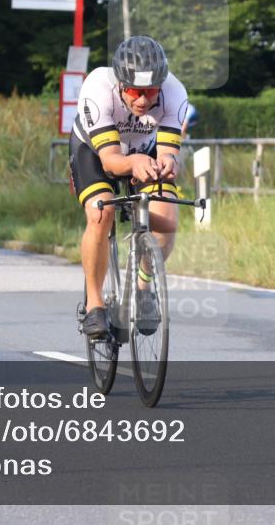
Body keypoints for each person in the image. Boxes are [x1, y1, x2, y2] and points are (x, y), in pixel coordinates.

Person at [69, 36, 188, 339]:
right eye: (135, 91)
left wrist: (169, 163)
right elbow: (110, 162)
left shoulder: (175, 92)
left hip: (144, 149)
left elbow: (168, 152)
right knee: (100, 213)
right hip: (95, 150)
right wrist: (133, 163)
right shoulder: (98, 88)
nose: (143, 100)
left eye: (150, 92)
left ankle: (143, 288)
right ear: (121, 84)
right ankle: (94, 305)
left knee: (166, 221)